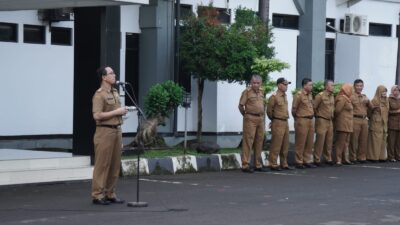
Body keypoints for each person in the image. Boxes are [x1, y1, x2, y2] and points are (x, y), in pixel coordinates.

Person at [91, 66, 128, 205]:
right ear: (104, 77)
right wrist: (117, 112)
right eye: (111, 73)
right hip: (104, 131)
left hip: (117, 131)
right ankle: (97, 195)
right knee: (102, 164)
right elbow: (97, 116)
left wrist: (121, 112)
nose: (114, 75)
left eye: (114, 72)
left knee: (114, 164)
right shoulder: (99, 95)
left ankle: (110, 193)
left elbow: (115, 112)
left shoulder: (115, 92)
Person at [238, 75, 268, 173]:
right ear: (251, 83)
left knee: (259, 141)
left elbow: (263, 104)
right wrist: (246, 115)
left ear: (261, 83)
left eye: (258, 83)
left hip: (260, 118)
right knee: (248, 141)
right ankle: (245, 165)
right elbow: (241, 106)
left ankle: (258, 165)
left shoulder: (262, 91)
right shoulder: (246, 92)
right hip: (250, 118)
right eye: (254, 83)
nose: (255, 84)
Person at [267, 78, 293, 171]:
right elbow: (269, 111)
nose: (286, 86)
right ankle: (273, 163)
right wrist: (274, 119)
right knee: (276, 144)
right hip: (277, 121)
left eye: (287, 84)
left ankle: (284, 163)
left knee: (285, 144)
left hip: (285, 121)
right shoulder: (274, 97)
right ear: (279, 85)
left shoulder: (284, 96)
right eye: (284, 84)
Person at [292, 78, 316, 169]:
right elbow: (294, 109)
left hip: (310, 120)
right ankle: (299, 161)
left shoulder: (310, 95)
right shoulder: (298, 95)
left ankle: (307, 160)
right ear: (304, 85)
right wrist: (298, 118)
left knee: (309, 142)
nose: (311, 87)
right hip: (302, 119)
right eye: (310, 85)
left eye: (311, 85)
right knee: (300, 142)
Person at [313, 80, 335, 166]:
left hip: (330, 120)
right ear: (326, 87)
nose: (333, 87)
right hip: (322, 119)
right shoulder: (320, 96)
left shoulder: (332, 96)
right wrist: (318, 116)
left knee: (329, 140)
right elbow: (314, 107)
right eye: (331, 85)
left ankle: (328, 158)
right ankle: (317, 159)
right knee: (320, 140)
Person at [349, 79, 370, 164]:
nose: (359, 87)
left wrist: (368, 101)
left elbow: (371, 107)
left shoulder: (365, 96)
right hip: (355, 119)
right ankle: (353, 157)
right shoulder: (351, 96)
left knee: (363, 139)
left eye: (361, 86)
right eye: (358, 86)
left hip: (364, 119)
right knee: (354, 139)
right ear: (354, 86)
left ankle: (362, 157)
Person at [367, 85, 389, 162]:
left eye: (385, 91)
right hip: (376, 122)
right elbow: (369, 111)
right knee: (375, 140)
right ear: (379, 91)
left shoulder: (386, 101)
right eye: (383, 91)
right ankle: (373, 157)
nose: (384, 93)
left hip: (384, 123)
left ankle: (382, 157)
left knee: (383, 140)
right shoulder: (374, 100)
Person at [334, 83, 354, 166]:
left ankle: (345, 159)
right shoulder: (342, 98)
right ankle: (338, 159)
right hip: (342, 123)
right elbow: (337, 111)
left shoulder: (347, 98)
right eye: (350, 89)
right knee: (341, 142)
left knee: (346, 142)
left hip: (348, 124)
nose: (351, 90)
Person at [387, 85, 400, 162]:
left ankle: (398, 156)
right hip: (392, 123)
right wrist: (397, 111)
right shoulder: (389, 99)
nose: (396, 92)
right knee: (391, 141)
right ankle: (391, 156)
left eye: (398, 90)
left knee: (398, 142)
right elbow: (388, 112)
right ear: (392, 91)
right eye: (395, 90)